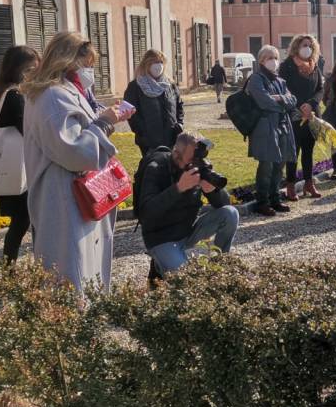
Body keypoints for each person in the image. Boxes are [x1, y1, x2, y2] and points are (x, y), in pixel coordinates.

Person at [22, 32, 131, 294]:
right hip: (64, 196)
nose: (90, 71)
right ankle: (76, 328)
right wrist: (104, 122)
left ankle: (86, 322)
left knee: (83, 269)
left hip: (78, 194)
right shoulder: (53, 96)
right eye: (88, 64)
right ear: (69, 61)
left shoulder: (66, 91)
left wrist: (103, 121)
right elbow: (74, 152)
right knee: (71, 272)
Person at [137, 132, 239, 274]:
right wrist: (178, 188)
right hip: (161, 238)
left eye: (199, 157)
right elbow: (146, 213)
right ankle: (159, 267)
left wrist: (212, 191)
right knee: (186, 279)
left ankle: (220, 266)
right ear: (176, 154)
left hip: (187, 230)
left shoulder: (196, 167)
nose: (196, 162)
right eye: (192, 158)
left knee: (230, 213)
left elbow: (225, 204)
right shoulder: (156, 167)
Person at [0, 45, 41, 262]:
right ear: (17, 69)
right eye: (30, 69)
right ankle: (16, 266)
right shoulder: (15, 95)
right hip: (20, 168)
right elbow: (28, 129)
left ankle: (10, 265)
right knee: (26, 220)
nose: (33, 74)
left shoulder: (7, 92)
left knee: (21, 222)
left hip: (16, 167)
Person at [247, 45, 298, 216]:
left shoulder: (280, 81)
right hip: (265, 128)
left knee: (279, 165)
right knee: (266, 166)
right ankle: (263, 201)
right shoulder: (256, 79)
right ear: (261, 60)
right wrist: (282, 102)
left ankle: (275, 199)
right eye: (269, 58)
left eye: (275, 57)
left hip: (282, 126)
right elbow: (264, 102)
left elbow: (293, 100)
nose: (273, 61)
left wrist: (280, 99)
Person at [279, 35, 324, 200]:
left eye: (311, 45)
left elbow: (320, 89)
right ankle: (290, 185)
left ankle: (308, 183)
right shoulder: (287, 66)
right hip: (294, 114)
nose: (308, 48)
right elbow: (283, 88)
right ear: (297, 46)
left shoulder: (314, 66)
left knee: (308, 151)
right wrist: (299, 106)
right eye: (305, 45)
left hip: (311, 115)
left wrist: (311, 104)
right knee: (293, 151)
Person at [124, 50, 183, 155]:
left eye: (161, 62)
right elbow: (131, 113)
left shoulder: (170, 85)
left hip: (171, 138)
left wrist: (179, 124)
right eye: (154, 62)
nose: (158, 66)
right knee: (153, 169)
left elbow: (179, 106)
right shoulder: (135, 87)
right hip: (148, 143)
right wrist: (142, 132)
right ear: (146, 64)